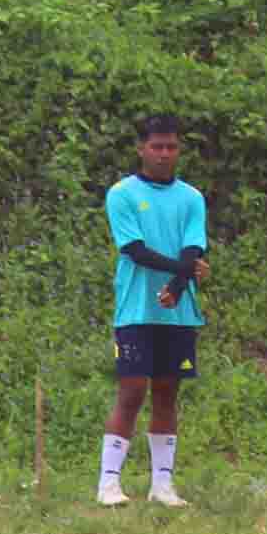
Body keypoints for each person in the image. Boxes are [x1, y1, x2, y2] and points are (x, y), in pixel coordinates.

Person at [98, 113, 210, 508]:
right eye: (157, 146)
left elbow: (194, 248)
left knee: (167, 393)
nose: (164, 154)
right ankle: (108, 484)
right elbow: (134, 249)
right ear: (141, 148)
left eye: (171, 147)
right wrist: (183, 272)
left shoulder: (192, 198)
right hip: (135, 309)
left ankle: (162, 486)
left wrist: (179, 287)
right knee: (132, 390)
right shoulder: (122, 194)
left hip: (178, 312)